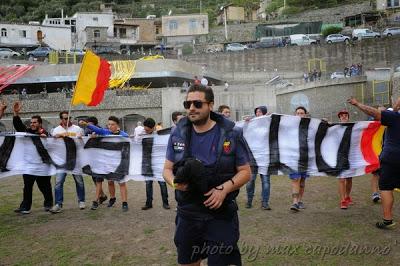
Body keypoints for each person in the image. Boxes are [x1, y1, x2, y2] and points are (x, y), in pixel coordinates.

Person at [163, 84, 251, 265]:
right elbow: (166, 170)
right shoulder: (177, 133)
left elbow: (245, 172)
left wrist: (223, 189)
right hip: (188, 213)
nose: (191, 108)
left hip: (220, 215)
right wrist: (174, 183)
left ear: (210, 105)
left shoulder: (232, 134)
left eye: (197, 103)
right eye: (187, 104)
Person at [348, 96, 400, 229]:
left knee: (386, 188)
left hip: (392, 157)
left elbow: (374, 113)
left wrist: (357, 103)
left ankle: (387, 220)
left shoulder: (395, 116)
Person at [79, 116, 129, 212]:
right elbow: (96, 129)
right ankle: (112, 198)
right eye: (109, 124)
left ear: (117, 125)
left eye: (112, 124)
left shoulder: (124, 135)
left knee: (121, 182)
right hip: (107, 162)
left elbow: (131, 144)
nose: (110, 126)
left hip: (119, 162)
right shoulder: (105, 132)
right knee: (110, 181)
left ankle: (124, 203)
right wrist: (85, 124)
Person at [12, 101, 53, 214]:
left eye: (35, 122)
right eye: (31, 122)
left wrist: (46, 138)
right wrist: (16, 113)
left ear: (40, 123)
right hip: (29, 166)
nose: (32, 124)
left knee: (45, 186)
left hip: (42, 165)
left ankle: (48, 204)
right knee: (27, 187)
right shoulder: (27, 132)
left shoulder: (46, 133)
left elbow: (53, 145)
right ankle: (25, 207)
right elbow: (19, 126)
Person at [49, 111, 85, 213]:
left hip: (75, 160)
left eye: (69, 117)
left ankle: (81, 200)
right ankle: (58, 204)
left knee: (79, 181)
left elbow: (82, 145)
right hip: (61, 160)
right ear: (61, 119)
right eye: (65, 118)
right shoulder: (56, 130)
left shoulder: (77, 129)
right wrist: (57, 136)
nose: (67, 120)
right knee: (58, 182)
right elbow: (52, 146)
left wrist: (81, 139)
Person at [246, 105, 271, 210]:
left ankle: (265, 203)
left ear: (264, 113)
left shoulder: (268, 124)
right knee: (250, 180)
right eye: (256, 112)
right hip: (252, 157)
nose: (257, 113)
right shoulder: (251, 124)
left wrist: (271, 118)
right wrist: (247, 122)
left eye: (260, 112)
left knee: (265, 181)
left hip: (265, 156)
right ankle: (249, 201)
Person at [141, 118, 170, 210]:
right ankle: (148, 203)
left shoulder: (161, 136)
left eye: (148, 130)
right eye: (145, 129)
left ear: (153, 127)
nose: (146, 131)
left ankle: (165, 203)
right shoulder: (142, 136)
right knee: (148, 183)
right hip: (147, 164)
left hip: (159, 164)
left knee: (162, 183)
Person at [82, 116, 108, 205]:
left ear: (94, 123)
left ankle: (97, 199)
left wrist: (97, 137)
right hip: (91, 157)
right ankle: (102, 195)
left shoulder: (100, 130)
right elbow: (85, 140)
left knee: (98, 177)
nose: (88, 125)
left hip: (100, 158)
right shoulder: (86, 130)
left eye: (89, 123)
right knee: (94, 178)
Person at [289, 106, 310, 212]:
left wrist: (324, 123)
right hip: (293, 157)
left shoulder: (310, 126)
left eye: (302, 113)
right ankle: (295, 202)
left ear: (305, 115)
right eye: (298, 113)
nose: (300, 115)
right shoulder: (290, 126)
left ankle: (300, 200)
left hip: (306, 157)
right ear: (294, 115)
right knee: (295, 179)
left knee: (302, 181)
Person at [337, 109, 353, 210]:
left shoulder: (354, 127)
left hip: (351, 156)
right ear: (339, 118)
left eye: (345, 115)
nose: (343, 116)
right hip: (338, 157)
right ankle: (343, 200)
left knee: (349, 179)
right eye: (341, 115)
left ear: (348, 117)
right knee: (341, 179)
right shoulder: (334, 128)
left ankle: (347, 196)